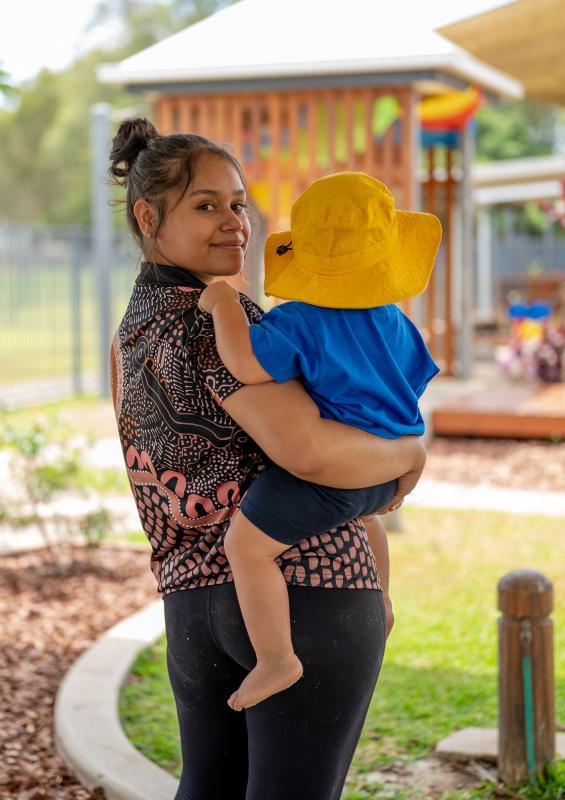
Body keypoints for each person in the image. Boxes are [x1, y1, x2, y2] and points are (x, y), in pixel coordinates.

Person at [108, 117, 428, 800]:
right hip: (310, 589)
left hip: (190, 603)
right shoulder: (223, 319)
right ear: (147, 215)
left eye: (238, 203)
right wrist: (408, 449)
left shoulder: (130, 333)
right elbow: (308, 451)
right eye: (206, 205)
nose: (234, 222)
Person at [199, 172, 441, 712]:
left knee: (247, 546)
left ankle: (276, 657)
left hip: (330, 474)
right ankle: (381, 599)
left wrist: (223, 305)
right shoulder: (398, 323)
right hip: (383, 471)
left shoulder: (298, 321)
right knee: (365, 518)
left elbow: (242, 363)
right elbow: (414, 382)